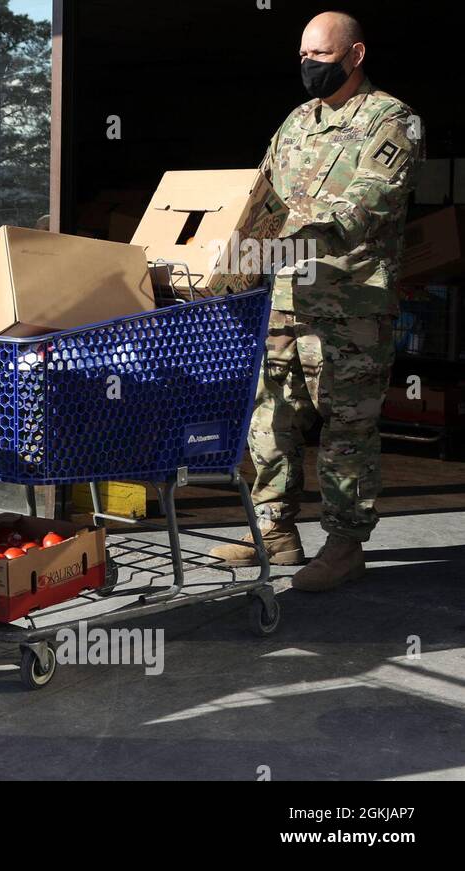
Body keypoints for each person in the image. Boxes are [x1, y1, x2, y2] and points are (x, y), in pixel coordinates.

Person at [211, 12, 421, 591]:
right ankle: (274, 533)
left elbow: (364, 207)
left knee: (346, 431)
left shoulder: (392, 120)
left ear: (355, 55)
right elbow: (258, 197)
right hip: (282, 301)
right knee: (270, 420)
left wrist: (287, 242)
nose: (308, 68)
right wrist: (229, 251)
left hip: (350, 310)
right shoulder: (298, 121)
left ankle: (345, 545)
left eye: (320, 58)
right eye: (302, 56)